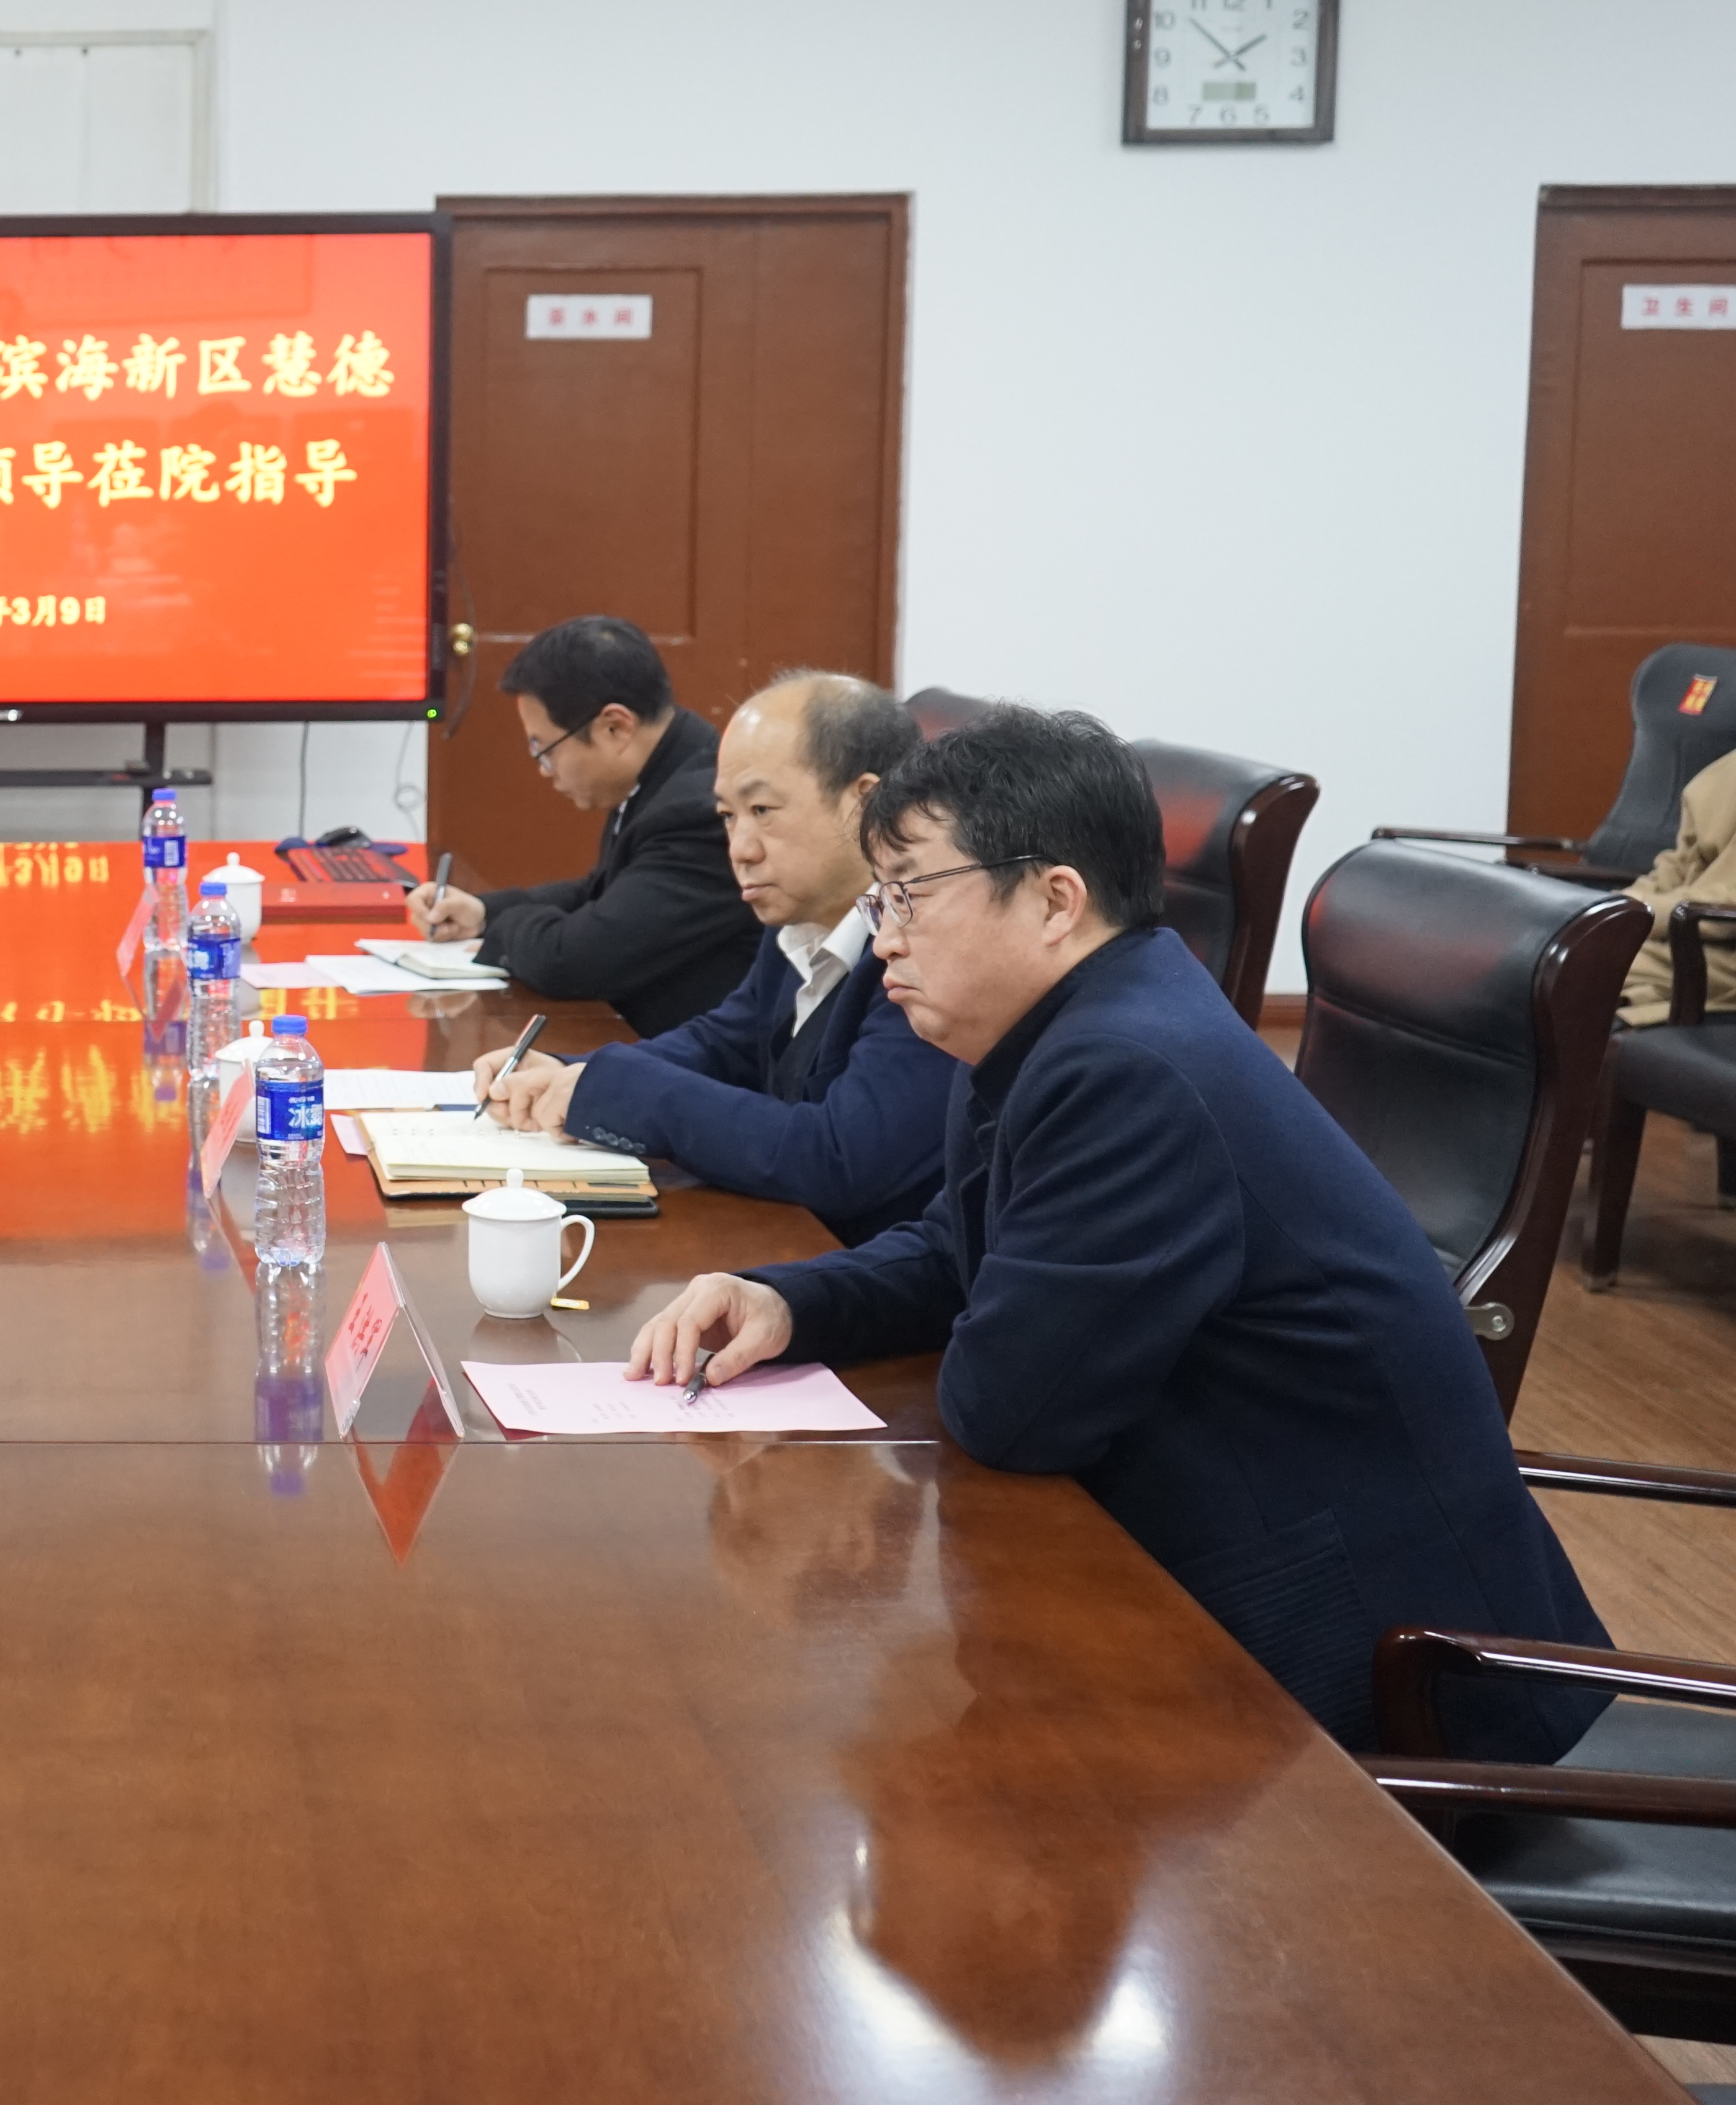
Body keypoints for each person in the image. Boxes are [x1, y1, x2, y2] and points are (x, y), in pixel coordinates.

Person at [627, 707, 1612, 1764]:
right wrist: (791, 1301)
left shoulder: (1130, 1072)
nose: (886, 937)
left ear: (1056, 900)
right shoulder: (1065, 1023)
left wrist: (973, 1311)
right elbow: (961, 1248)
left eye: (910, 894)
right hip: (1231, 1591)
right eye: (880, 898)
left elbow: (1009, 1413)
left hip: (1385, 1689)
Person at [475, 672, 953, 1244]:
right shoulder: (799, 920)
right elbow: (724, 1045)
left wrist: (629, 1092)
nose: (740, 849)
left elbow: (839, 1157)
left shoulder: (927, 946)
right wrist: (569, 1073)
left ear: (865, 803)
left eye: (763, 810)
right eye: (729, 816)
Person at [405, 615, 754, 1037]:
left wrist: (503, 930)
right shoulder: (664, 774)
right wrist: (483, 913)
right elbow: (602, 892)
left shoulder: (698, 811)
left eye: (546, 750)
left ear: (614, 728)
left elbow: (574, 961)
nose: (544, 770)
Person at [1614, 747, 1736, 1027]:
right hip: (1687, 934)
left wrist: (1641, 913)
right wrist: (1616, 907)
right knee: (1557, 951)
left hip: (1721, 950)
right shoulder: (1719, 775)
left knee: (1584, 963)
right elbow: (1679, 865)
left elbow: (1727, 905)